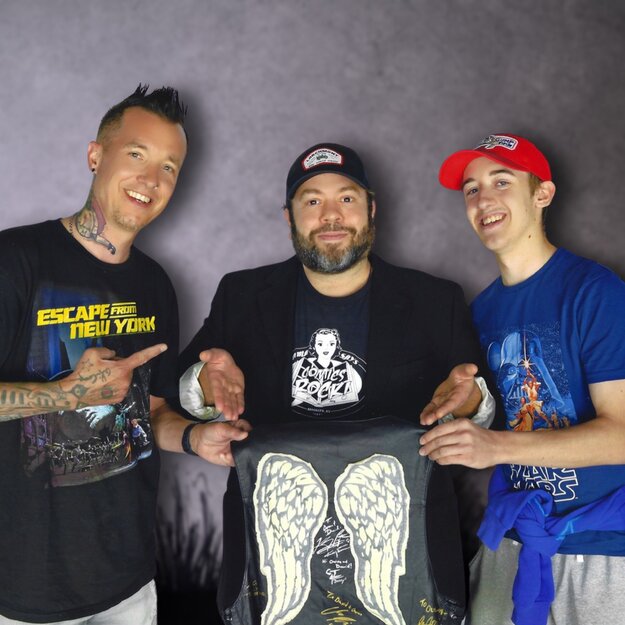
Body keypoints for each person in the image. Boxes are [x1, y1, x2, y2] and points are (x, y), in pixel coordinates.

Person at [178, 143, 496, 623]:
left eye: (346, 198)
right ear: (289, 216)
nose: (331, 215)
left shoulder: (434, 300)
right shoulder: (242, 296)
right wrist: (205, 379)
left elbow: (481, 402)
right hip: (273, 557)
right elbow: (183, 390)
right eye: (312, 201)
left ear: (371, 209)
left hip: (407, 560)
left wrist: (469, 401)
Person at [0, 85, 248, 625]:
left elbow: (149, 413)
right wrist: (66, 395)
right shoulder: (14, 260)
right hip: (22, 591)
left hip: (128, 585)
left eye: (169, 167)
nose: (151, 179)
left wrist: (194, 437)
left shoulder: (155, 284)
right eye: (137, 154)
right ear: (96, 156)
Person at [421, 133, 625, 625]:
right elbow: (498, 416)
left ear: (543, 194)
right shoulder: (480, 313)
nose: (483, 200)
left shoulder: (596, 292)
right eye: (471, 189)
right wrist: (465, 405)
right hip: (509, 544)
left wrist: (494, 447)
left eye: (502, 182)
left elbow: (620, 435)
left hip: (602, 553)